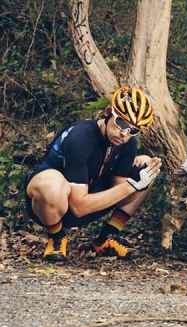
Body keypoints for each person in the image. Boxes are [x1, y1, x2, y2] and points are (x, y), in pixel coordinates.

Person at [24, 87, 162, 261]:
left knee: (147, 170)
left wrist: (138, 178)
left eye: (133, 130)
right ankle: (56, 237)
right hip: (53, 203)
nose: (124, 134)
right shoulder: (80, 137)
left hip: (89, 196)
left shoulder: (127, 143)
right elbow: (78, 207)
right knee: (49, 185)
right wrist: (131, 186)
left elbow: (122, 195)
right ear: (107, 112)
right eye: (121, 123)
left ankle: (105, 239)